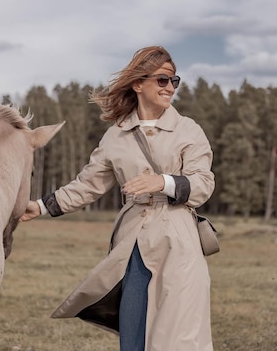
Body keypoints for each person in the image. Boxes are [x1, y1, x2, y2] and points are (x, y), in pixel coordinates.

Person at [20, 45, 215, 351]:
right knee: (133, 339)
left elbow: (203, 184)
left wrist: (160, 182)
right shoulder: (116, 135)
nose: (170, 87)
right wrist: (42, 206)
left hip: (179, 244)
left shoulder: (189, 130)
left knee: (179, 337)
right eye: (162, 80)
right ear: (139, 83)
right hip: (133, 245)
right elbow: (88, 185)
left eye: (174, 81)